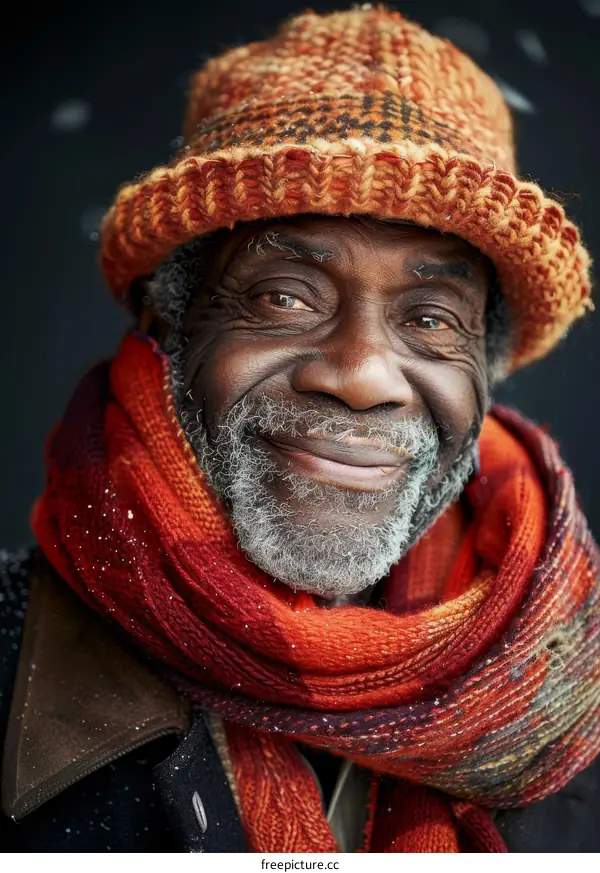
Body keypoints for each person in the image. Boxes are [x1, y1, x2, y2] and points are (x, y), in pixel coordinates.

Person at [1, 5, 599, 854]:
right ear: (167, 326)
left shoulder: (579, 705)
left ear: (487, 371)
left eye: (431, 317)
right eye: (282, 296)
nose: (361, 376)